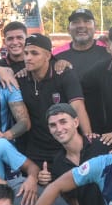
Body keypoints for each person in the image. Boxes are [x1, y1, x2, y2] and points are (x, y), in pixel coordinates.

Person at [15, 33, 91, 161]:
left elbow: (77, 107)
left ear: (47, 56)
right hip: (35, 149)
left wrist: (89, 140)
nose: (28, 58)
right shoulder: (21, 79)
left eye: (34, 53)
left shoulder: (64, 74)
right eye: (26, 53)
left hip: (64, 146)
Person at [54, 7, 110, 80]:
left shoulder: (109, 50)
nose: (81, 25)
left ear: (95, 28)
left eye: (86, 21)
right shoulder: (55, 55)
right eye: (75, 22)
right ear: (68, 29)